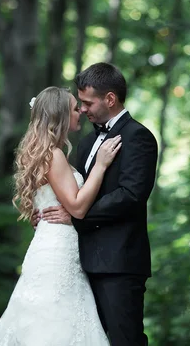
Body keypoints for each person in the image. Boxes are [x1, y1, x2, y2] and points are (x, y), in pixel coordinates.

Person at [36, 62, 158, 346]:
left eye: (88, 102)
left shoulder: (138, 137)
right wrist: (48, 212)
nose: (82, 109)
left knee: (124, 340)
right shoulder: (87, 143)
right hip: (79, 262)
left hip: (119, 263)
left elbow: (131, 196)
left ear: (110, 99)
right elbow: (74, 191)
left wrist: (76, 214)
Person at [0, 86, 122, 346]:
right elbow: (77, 207)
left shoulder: (44, 153)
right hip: (58, 253)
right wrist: (101, 165)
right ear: (61, 114)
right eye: (75, 108)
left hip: (49, 246)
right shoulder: (54, 154)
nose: (80, 112)